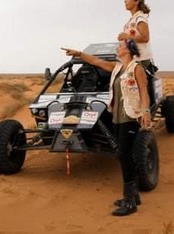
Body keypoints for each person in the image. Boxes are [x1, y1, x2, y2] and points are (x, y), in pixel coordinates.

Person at [61, 40, 151, 217]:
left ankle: (129, 202)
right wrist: (79, 53)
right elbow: (96, 62)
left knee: (124, 155)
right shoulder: (117, 68)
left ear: (128, 50)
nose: (118, 48)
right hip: (117, 116)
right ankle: (133, 195)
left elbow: (144, 92)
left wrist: (146, 111)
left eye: (120, 46)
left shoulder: (136, 69)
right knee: (125, 154)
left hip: (130, 116)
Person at [117, 0, 157, 75]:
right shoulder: (133, 19)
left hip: (140, 59)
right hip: (134, 59)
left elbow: (145, 38)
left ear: (137, 1)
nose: (125, 1)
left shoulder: (140, 18)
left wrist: (127, 37)